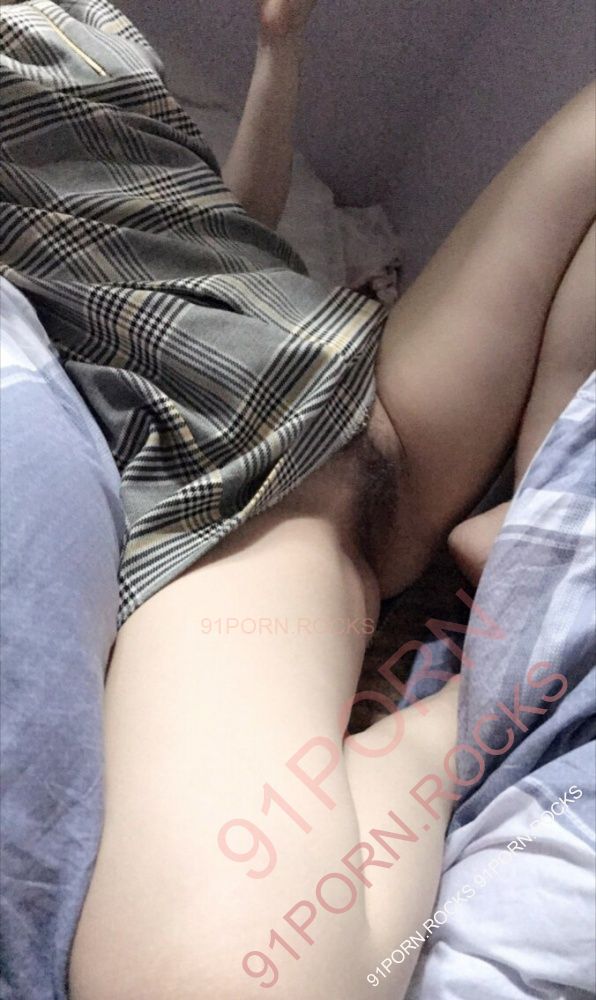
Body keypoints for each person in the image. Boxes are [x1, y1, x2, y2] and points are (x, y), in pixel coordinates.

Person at [1, 1, 594, 998]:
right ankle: (458, 707)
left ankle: (529, 524)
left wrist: (280, 53)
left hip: (320, 384)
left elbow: (220, 222)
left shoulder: (83, 22)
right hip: (251, 468)